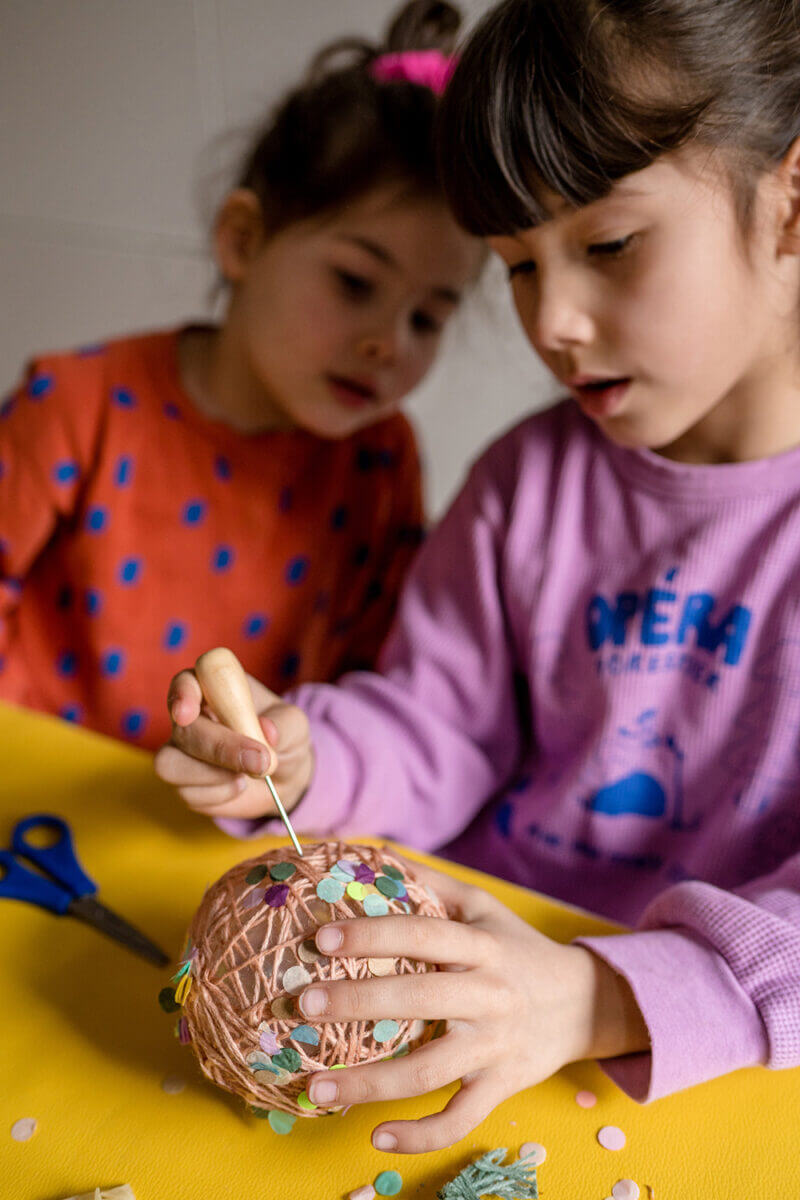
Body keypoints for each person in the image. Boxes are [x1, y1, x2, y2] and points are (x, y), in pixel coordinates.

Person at [156, 0, 800, 1158]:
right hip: (453, 1033)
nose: (550, 322)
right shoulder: (526, 482)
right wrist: (312, 759)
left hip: (712, 1074)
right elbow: (439, 727)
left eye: (607, 245)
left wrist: (597, 997)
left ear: (789, 208)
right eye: (512, 266)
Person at [0, 0, 480, 751]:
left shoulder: (382, 459)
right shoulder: (77, 405)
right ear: (243, 240)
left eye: (428, 318)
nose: (389, 343)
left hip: (229, 834)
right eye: (356, 283)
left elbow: (367, 690)